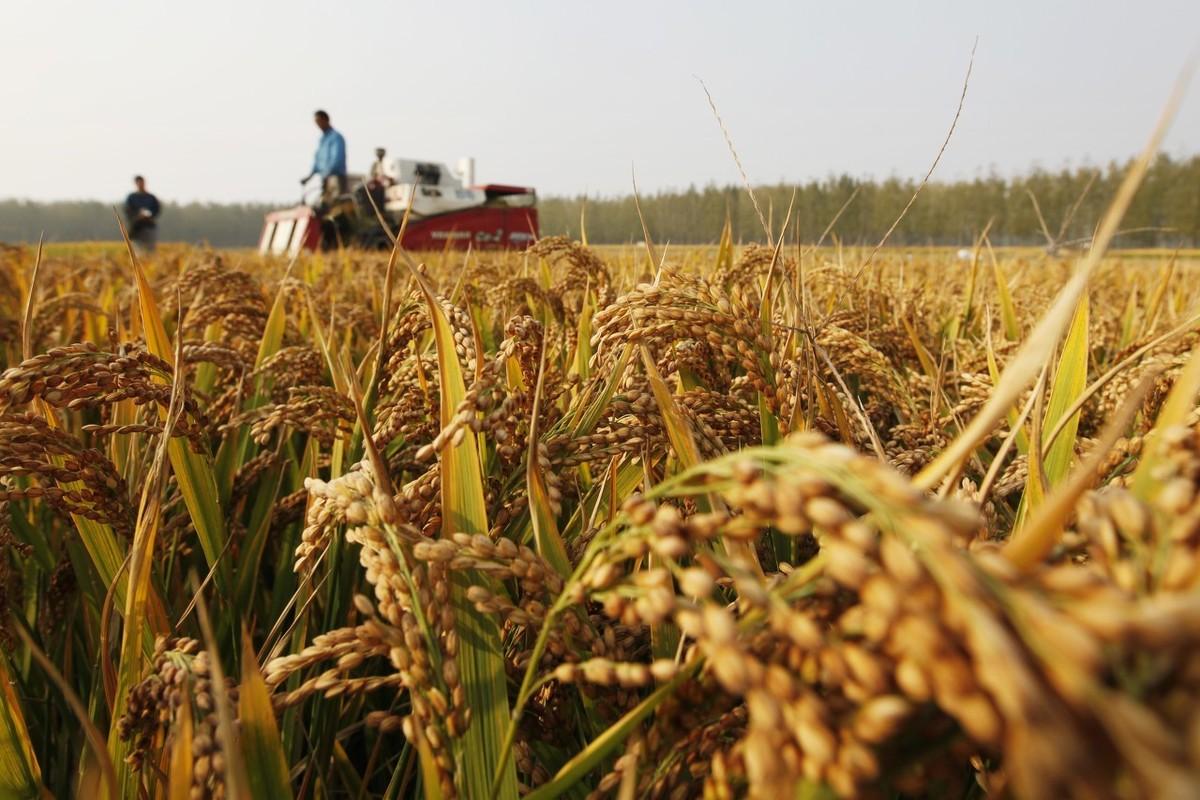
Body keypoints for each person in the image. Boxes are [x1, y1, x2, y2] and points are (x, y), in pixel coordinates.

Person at [300, 109, 347, 209]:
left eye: (319, 122)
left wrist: (328, 172)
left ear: (326, 120)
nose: (318, 125)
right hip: (325, 179)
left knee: (336, 206)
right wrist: (310, 176)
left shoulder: (336, 137)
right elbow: (318, 161)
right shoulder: (322, 140)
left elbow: (337, 159)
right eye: (316, 123)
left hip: (335, 179)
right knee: (324, 206)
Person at [123, 176, 161, 255]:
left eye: (142, 182)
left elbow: (157, 210)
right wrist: (138, 215)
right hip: (136, 228)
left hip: (149, 226)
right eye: (139, 183)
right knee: (138, 253)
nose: (141, 184)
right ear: (136, 184)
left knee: (151, 252)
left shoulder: (151, 197)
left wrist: (150, 215)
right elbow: (127, 211)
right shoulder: (131, 198)